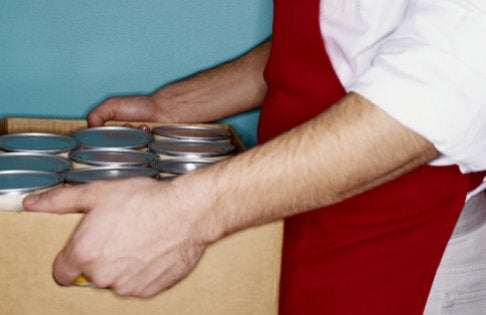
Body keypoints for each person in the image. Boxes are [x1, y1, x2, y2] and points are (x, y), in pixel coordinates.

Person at [24, 1, 486, 313]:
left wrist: (188, 212)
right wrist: (176, 106)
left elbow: (446, 86)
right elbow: (354, 30)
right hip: (297, 209)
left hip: (407, 239)